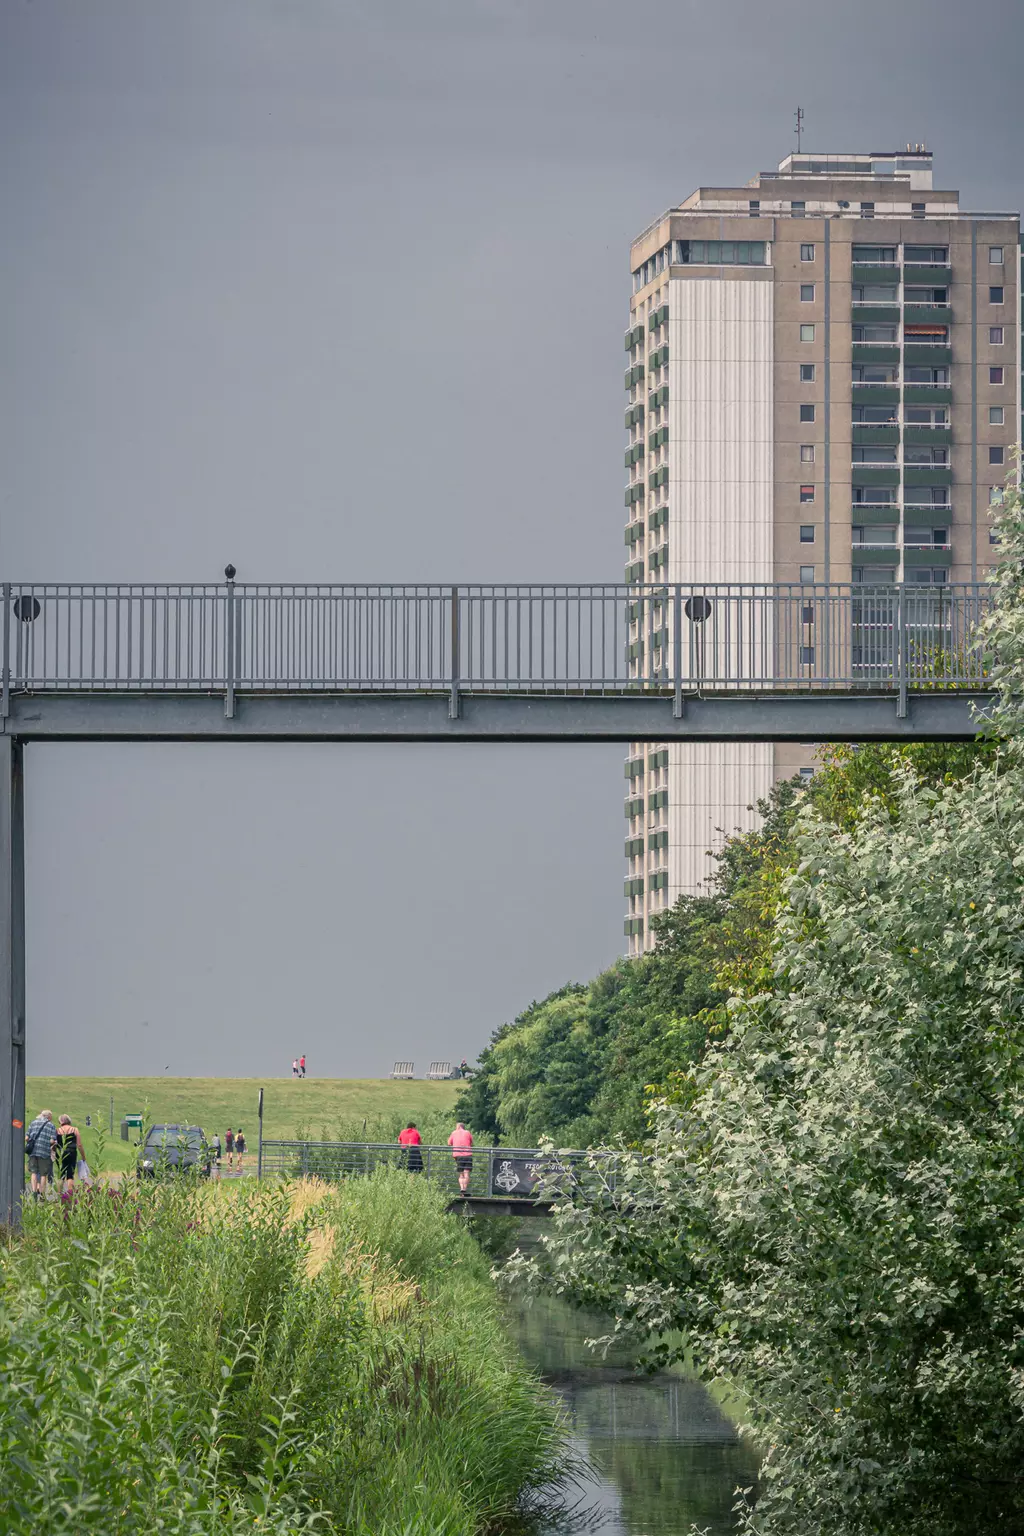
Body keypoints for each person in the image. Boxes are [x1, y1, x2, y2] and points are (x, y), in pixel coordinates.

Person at [25, 1109, 56, 1198]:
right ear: (49, 1117)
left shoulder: (33, 1123)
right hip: (44, 1152)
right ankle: (42, 1194)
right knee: (43, 1174)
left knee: (34, 1172)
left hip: (33, 1152)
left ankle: (34, 1193)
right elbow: (52, 1140)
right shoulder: (51, 1125)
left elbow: (27, 1138)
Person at [52, 1114, 84, 1193]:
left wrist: (54, 1153)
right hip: (72, 1152)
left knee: (61, 1175)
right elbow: (79, 1145)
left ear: (60, 1122)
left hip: (60, 1153)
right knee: (70, 1175)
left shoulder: (57, 1130)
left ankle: (59, 1195)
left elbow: (54, 1144)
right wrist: (83, 1156)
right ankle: (70, 1195)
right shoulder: (75, 1130)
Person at [448, 1121, 473, 1194]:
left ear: (458, 1127)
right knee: (467, 1174)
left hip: (458, 1156)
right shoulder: (468, 1132)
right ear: (463, 1127)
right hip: (468, 1155)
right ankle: (465, 1189)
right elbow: (472, 1143)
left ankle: (462, 1188)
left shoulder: (454, 1133)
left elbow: (449, 1143)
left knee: (461, 1174)